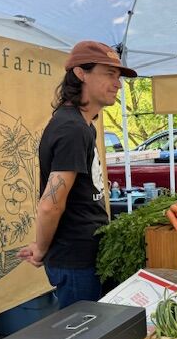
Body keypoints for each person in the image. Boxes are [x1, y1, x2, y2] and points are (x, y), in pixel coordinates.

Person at [18, 41, 137, 308]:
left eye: (118, 77)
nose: (117, 84)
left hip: (89, 254)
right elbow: (50, 204)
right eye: (109, 74)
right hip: (76, 261)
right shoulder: (71, 128)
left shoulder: (84, 126)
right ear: (81, 73)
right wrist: (41, 248)